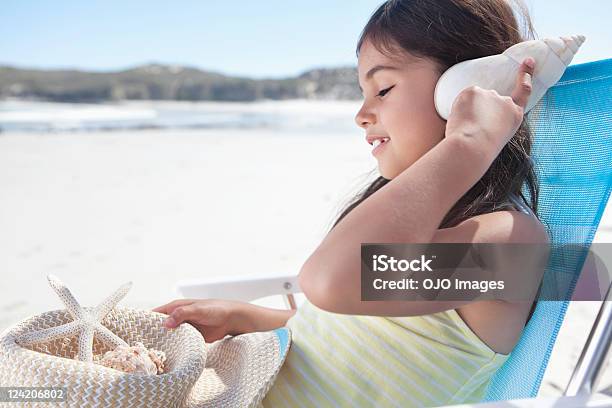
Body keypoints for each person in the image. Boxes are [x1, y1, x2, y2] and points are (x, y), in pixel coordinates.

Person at [154, 0, 550, 405]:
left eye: (383, 89)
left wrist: (470, 142)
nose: (362, 114)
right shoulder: (399, 216)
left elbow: (330, 281)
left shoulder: (511, 247)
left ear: (465, 89)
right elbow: (344, 336)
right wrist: (244, 317)